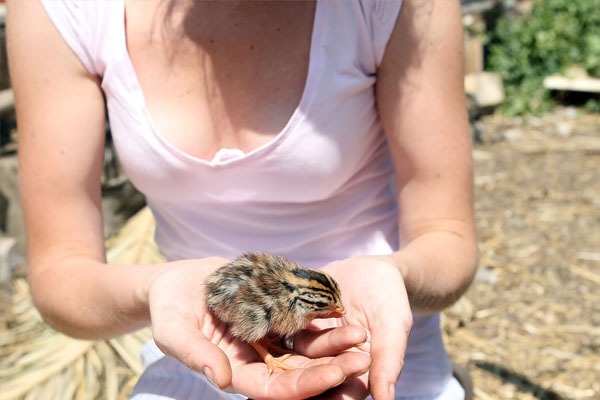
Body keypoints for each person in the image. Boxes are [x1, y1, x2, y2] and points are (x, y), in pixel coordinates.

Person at [7, 0, 478, 399]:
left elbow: (447, 237)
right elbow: (58, 273)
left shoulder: (394, 8)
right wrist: (156, 290)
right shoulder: (65, 10)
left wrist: (392, 274)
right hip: (200, 354)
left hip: (380, 356)